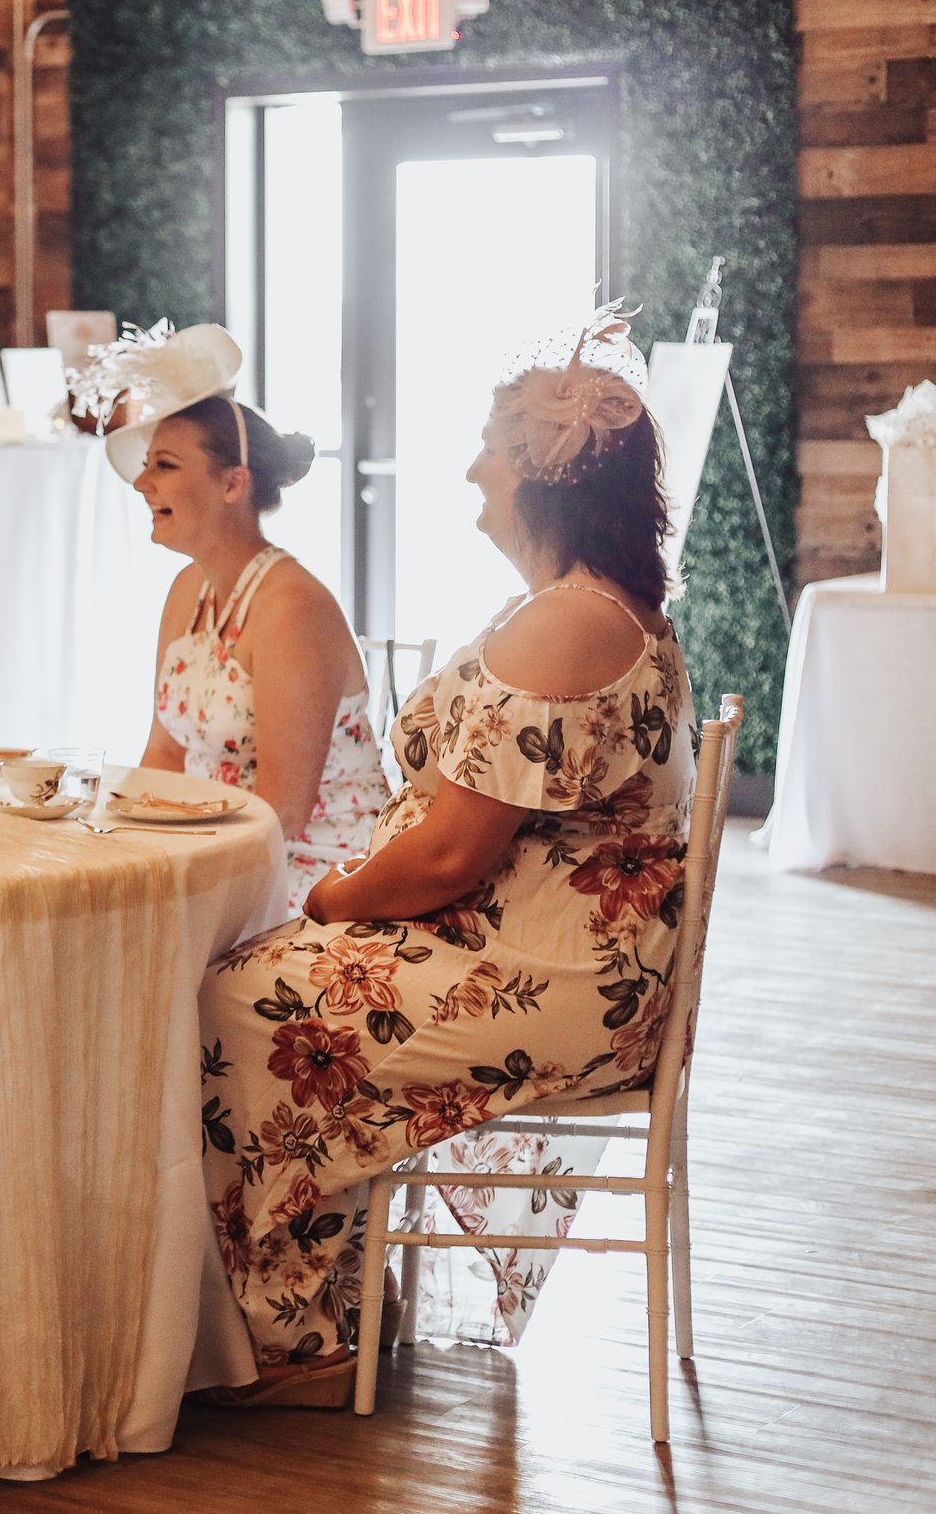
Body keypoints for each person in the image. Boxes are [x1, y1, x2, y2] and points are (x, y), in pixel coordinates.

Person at [194, 309, 693, 1407]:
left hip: (556, 978)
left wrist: (331, 898)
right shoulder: (578, 606)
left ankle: (306, 1335)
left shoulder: (569, 622)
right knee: (255, 979)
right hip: (541, 948)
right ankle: (335, 1297)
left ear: (539, 477)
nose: (471, 468)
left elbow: (450, 857)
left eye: (486, 447)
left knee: (239, 1002)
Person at [125, 386, 388, 916]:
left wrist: (172, 878)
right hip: (222, 855)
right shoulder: (187, 589)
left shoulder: (291, 606)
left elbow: (282, 812)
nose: (141, 482)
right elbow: (165, 754)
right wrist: (117, 839)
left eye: (165, 465)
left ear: (233, 483)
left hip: (318, 876)